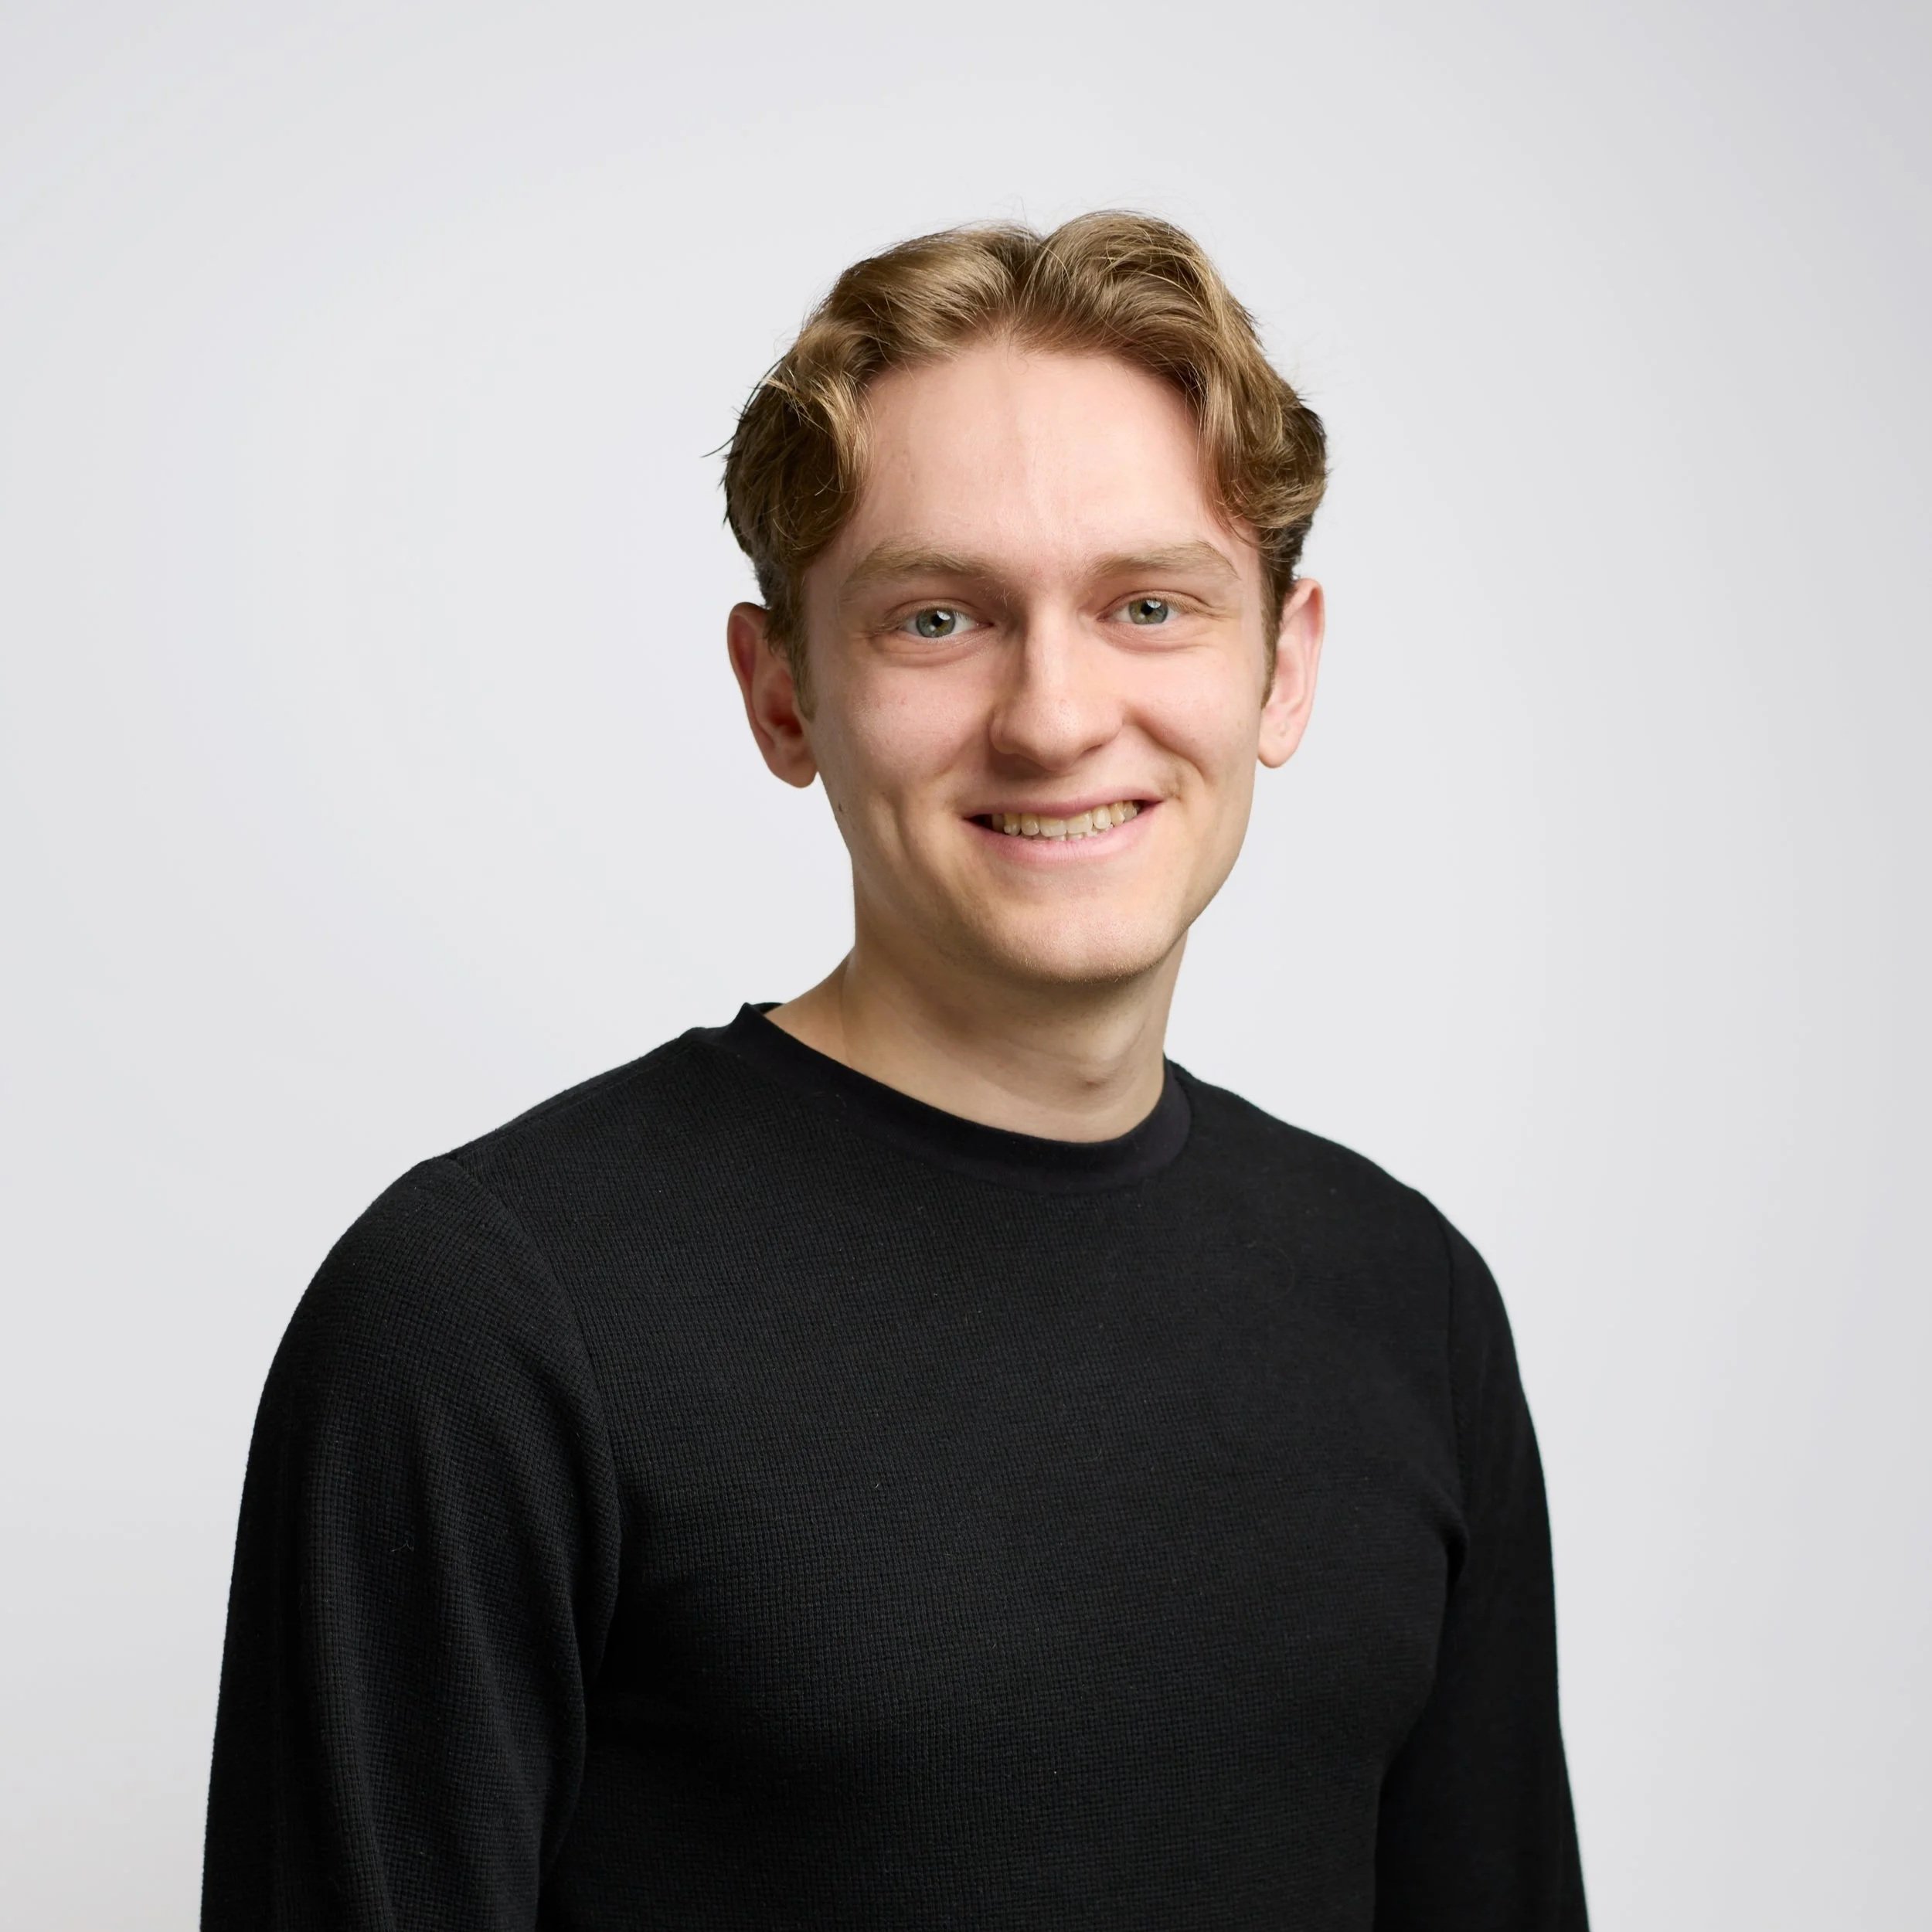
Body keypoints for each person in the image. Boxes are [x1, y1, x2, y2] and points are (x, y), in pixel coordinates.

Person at [202, 211, 1588, 1930]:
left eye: (1148, 603)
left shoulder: (1406, 1302)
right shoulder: (485, 1313)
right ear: (781, 693)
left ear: (1278, 666)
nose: (1054, 711)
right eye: (938, 618)